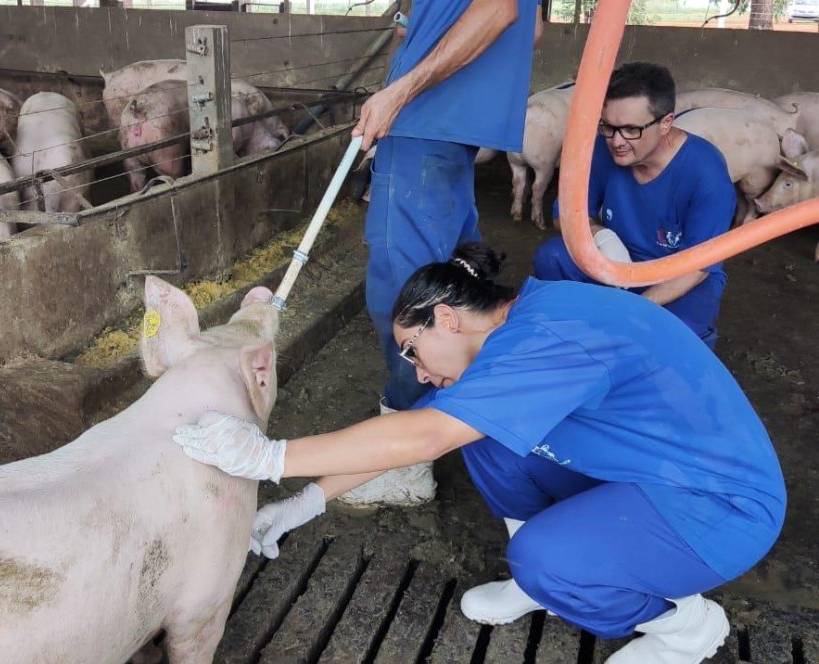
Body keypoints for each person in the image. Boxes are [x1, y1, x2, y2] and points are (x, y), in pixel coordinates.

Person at [173, 243, 786, 664]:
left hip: (718, 506)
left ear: (447, 317)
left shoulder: (546, 339)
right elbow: (420, 426)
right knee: (486, 441)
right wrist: (308, 499)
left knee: (543, 557)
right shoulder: (520, 326)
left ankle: (685, 627)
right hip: (643, 471)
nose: (414, 372)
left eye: (413, 350)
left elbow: (425, 437)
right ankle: (546, 577)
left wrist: (269, 457)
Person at [346, 0, 542, 506]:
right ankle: (460, 416)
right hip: (452, 128)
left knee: (404, 297)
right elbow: (532, 29)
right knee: (458, 281)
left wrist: (401, 90)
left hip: (424, 119)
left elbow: (498, 10)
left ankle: (407, 462)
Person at [534, 62, 736, 350]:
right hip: (616, 262)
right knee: (553, 256)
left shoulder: (706, 174)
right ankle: (573, 337)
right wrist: (602, 236)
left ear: (666, 123)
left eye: (631, 129)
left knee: (669, 343)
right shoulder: (602, 149)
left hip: (680, 278)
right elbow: (564, 215)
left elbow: (700, 265)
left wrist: (636, 307)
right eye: (608, 127)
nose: (617, 141)